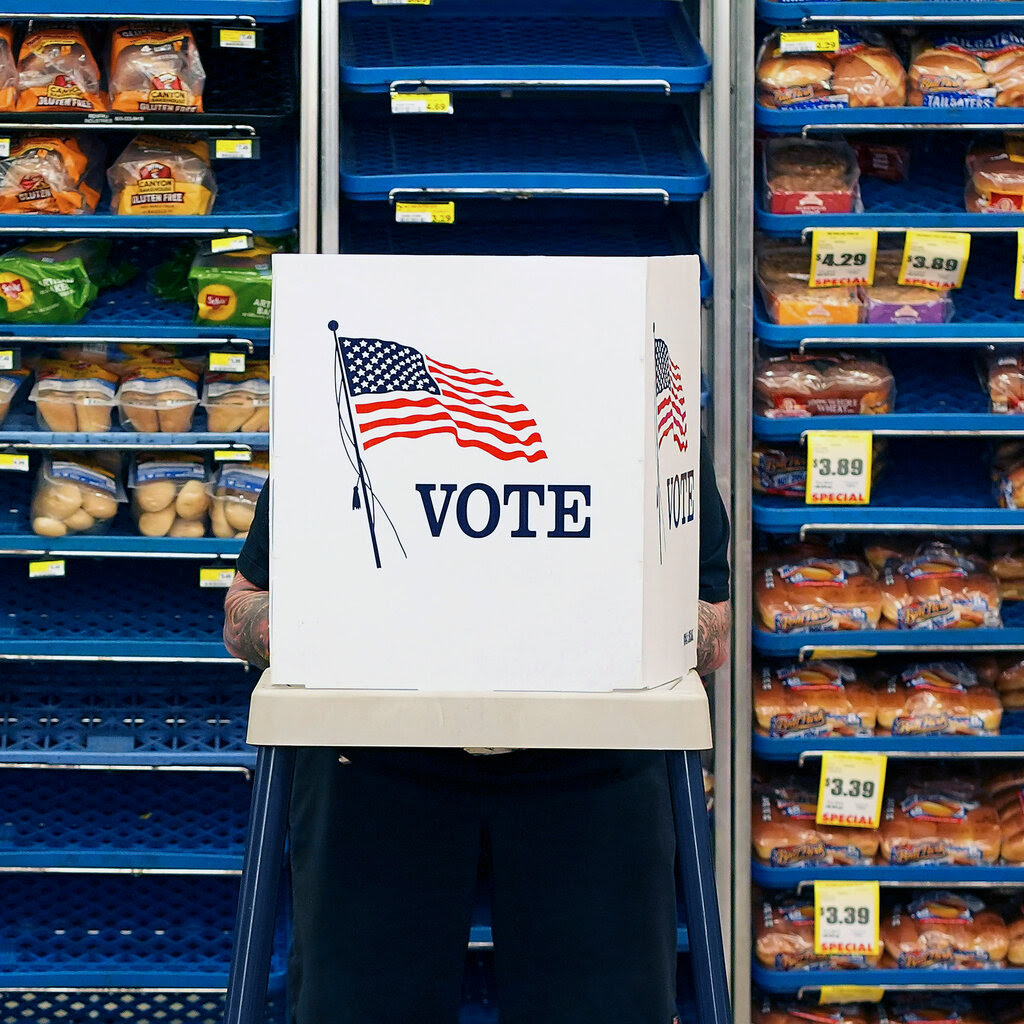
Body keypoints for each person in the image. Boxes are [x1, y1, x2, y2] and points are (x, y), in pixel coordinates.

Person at [223, 429, 730, 1024]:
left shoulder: (632, 405)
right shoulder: (342, 423)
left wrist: (626, 621)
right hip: (378, 762)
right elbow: (242, 612)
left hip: (594, 761)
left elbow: (711, 624)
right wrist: (328, 624)